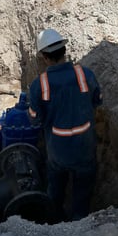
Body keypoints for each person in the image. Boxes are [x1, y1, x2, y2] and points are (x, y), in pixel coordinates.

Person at [28, 28, 102, 222]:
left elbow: (35, 118)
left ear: (44, 56)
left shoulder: (40, 84)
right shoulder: (85, 74)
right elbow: (96, 100)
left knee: (55, 187)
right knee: (83, 188)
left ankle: (54, 220)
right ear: (64, 49)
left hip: (57, 150)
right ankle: (79, 222)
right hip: (85, 145)